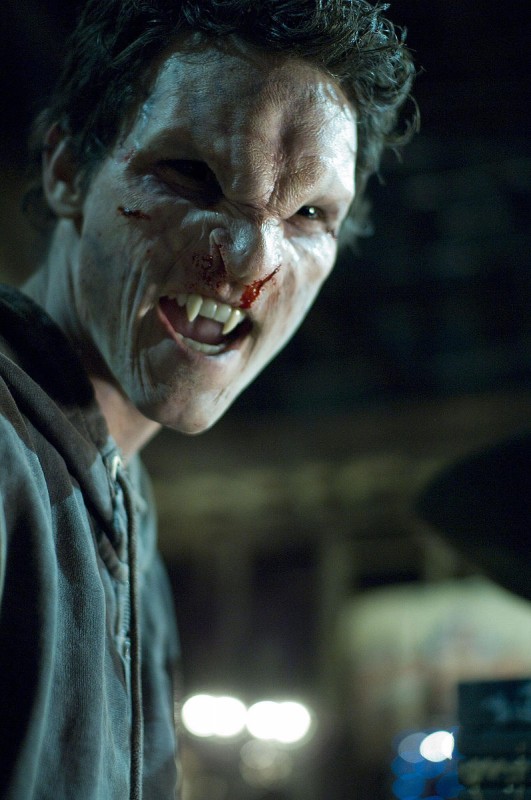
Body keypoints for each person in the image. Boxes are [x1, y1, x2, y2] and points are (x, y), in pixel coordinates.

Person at [0, 1, 416, 797]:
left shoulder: (119, 496)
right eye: (191, 175)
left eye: (308, 214)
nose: (250, 261)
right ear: (66, 171)